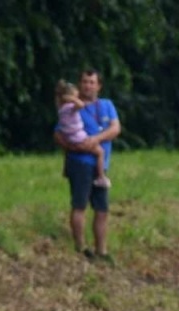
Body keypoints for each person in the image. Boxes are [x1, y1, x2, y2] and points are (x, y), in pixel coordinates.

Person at [54, 69, 120, 261]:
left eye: (92, 82)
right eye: (84, 82)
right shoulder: (70, 107)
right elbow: (58, 134)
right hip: (79, 162)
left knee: (102, 209)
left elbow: (115, 128)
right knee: (80, 205)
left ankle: (102, 250)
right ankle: (81, 248)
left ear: (99, 86)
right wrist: (77, 147)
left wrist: (95, 140)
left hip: (100, 163)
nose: (88, 86)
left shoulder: (107, 105)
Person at [55, 82, 110, 189]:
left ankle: (66, 169)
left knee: (68, 152)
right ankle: (101, 176)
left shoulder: (61, 109)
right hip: (79, 137)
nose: (78, 98)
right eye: (76, 96)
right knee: (100, 152)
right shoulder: (70, 107)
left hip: (70, 137)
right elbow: (81, 105)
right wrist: (72, 99)